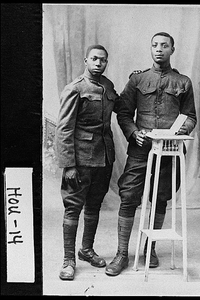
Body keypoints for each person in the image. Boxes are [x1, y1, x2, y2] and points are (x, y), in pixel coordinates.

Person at [105, 32, 197, 276]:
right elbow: (123, 113)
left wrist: (179, 132)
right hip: (140, 149)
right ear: (150, 49)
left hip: (169, 152)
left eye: (164, 46)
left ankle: (150, 248)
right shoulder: (137, 80)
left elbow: (191, 117)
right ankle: (122, 253)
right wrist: (134, 133)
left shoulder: (183, 82)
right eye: (155, 45)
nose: (159, 49)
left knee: (161, 197)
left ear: (172, 50)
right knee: (128, 196)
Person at [55, 44, 120, 280]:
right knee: (73, 207)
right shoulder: (75, 88)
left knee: (94, 206)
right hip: (80, 159)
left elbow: (120, 106)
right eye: (94, 59)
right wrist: (69, 164)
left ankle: (86, 250)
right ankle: (68, 260)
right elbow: (64, 129)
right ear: (85, 60)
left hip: (104, 159)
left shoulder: (108, 86)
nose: (98, 63)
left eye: (103, 60)